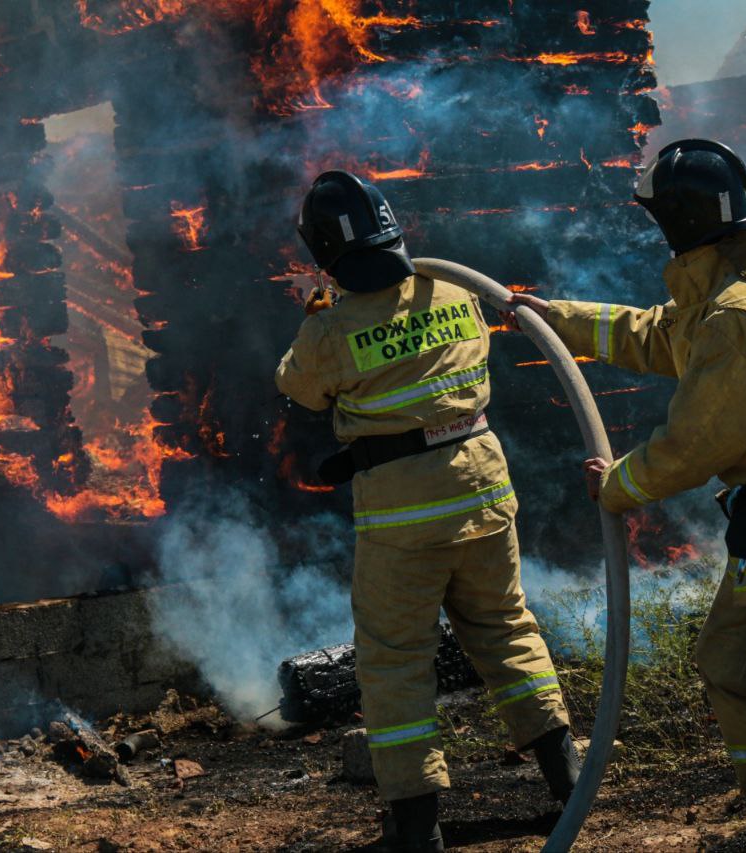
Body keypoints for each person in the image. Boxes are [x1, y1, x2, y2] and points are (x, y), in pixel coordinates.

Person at [506, 139, 746, 853]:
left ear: (679, 223)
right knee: (731, 665)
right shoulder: (730, 294)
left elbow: (697, 443)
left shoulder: (735, 318)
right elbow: (652, 334)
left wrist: (618, 484)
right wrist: (553, 319)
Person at [275, 170, 580, 852]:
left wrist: (317, 311)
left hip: (402, 513)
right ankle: (569, 781)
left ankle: (416, 827)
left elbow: (297, 384)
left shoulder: (333, 327)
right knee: (504, 627)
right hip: (482, 486)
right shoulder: (456, 289)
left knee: (394, 659)